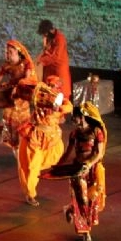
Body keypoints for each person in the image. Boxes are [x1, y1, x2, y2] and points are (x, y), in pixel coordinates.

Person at [17, 75, 73, 206]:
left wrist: (60, 108)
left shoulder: (60, 99)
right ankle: (30, 193)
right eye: (49, 85)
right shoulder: (39, 97)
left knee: (55, 157)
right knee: (32, 166)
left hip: (51, 137)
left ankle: (39, 169)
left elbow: (69, 106)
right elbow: (23, 85)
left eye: (54, 86)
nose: (51, 88)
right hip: (35, 137)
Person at [55, 101, 107, 241]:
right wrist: (57, 165)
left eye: (75, 117)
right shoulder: (74, 134)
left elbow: (99, 153)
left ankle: (70, 209)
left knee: (92, 199)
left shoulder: (96, 131)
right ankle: (85, 231)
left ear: (82, 116)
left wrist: (89, 164)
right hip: (78, 170)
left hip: (92, 169)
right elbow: (68, 153)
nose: (73, 120)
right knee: (82, 199)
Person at [36, 19, 72, 101]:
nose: (44, 35)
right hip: (49, 70)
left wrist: (41, 61)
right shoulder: (48, 38)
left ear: (50, 30)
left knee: (61, 95)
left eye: (44, 33)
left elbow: (56, 56)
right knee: (47, 95)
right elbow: (46, 52)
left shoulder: (60, 38)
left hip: (59, 70)